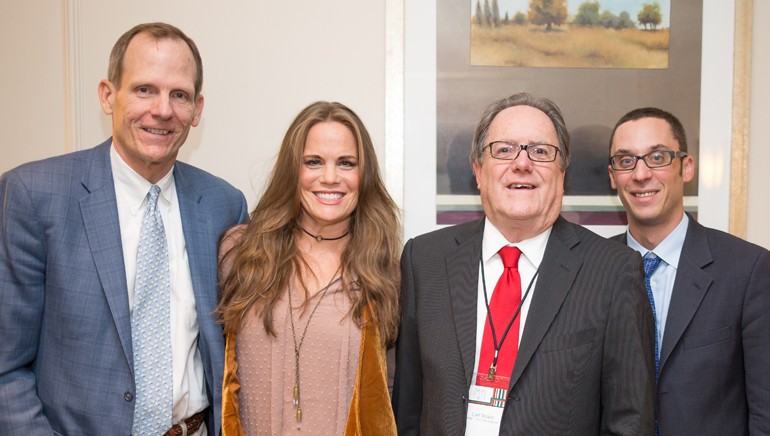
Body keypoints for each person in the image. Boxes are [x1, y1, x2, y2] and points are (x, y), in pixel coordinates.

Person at [0, 22, 248, 435]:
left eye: (179, 95)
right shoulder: (32, 195)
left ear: (197, 110)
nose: (163, 110)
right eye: (144, 89)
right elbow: (5, 367)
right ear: (108, 95)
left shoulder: (225, 205)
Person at [392, 92, 656, 435]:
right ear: (478, 170)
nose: (522, 163)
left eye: (541, 151)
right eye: (503, 149)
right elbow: (408, 409)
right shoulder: (424, 260)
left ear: (562, 174)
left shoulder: (613, 270)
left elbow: (630, 421)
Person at [217, 101, 400, 435]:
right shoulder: (240, 253)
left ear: (364, 175)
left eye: (346, 163)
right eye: (313, 162)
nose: (329, 178)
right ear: (292, 170)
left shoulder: (385, 273)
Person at [608, 107, 770, 435]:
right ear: (613, 176)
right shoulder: (592, 268)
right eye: (626, 161)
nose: (640, 174)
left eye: (657, 157)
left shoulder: (748, 270)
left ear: (687, 167)